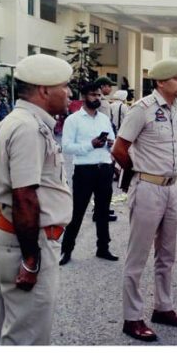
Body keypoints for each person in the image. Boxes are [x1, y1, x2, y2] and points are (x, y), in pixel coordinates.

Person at [0, 54, 73, 345]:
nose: (69, 93)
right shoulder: (28, 128)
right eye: (65, 86)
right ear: (44, 90)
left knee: (10, 324)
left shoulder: (21, 120)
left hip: (13, 235)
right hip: (27, 239)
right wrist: (31, 259)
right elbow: (24, 197)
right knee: (27, 336)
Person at [111, 59, 177, 342]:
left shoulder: (174, 110)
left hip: (170, 188)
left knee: (166, 255)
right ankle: (132, 318)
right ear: (160, 82)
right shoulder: (142, 109)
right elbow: (119, 148)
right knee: (138, 257)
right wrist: (135, 173)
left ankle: (163, 307)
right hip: (146, 187)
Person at [59, 82, 118, 266]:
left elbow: (114, 141)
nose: (97, 98)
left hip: (104, 169)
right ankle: (66, 250)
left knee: (102, 211)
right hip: (85, 171)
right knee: (77, 211)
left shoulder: (104, 119)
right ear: (84, 96)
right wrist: (90, 145)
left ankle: (103, 248)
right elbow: (66, 147)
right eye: (93, 95)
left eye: (99, 95)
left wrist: (109, 143)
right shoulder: (73, 120)